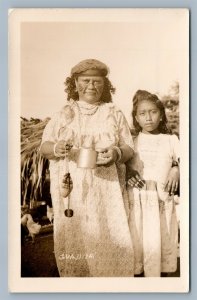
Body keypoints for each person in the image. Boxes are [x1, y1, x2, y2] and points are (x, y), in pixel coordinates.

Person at [40, 59, 135, 277]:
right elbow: (44, 148)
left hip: (107, 192)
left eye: (97, 81)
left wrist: (116, 153)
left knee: (110, 240)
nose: (91, 86)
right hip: (72, 193)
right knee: (76, 244)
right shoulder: (64, 114)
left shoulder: (114, 113)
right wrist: (57, 147)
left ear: (105, 84)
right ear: (74, 83)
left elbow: (129, 147)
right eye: (85, 81)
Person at [126, 90, 180, 277]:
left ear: (161, 114)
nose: (148, 118)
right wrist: (128, 172)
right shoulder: (131, 143)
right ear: (136, 117)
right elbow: (124, 168)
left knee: (160, 249)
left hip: (161, 203)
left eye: (153, 112)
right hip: (138, 205)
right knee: (138, 249)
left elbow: (187, 161)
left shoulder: (171, 140)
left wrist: (176, 169)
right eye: (142, 113)